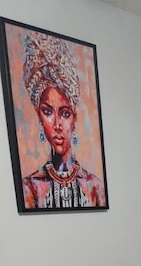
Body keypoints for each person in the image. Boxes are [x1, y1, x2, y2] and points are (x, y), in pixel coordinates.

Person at [21, 31, 106, 210]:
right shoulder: (30, 187)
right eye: (48, 112)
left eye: (65, 113)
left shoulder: (94, 185)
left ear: (74, 119)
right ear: (39, 117)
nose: (57, 125)